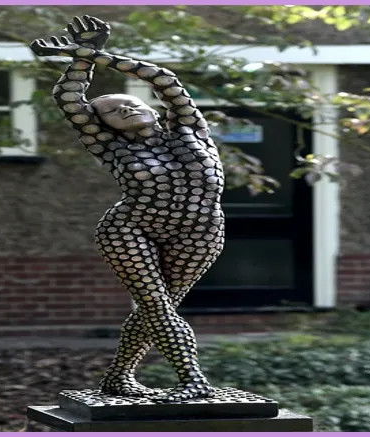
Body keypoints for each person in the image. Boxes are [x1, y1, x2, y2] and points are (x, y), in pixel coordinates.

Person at [31, 16, 225, 402]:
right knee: (156, 304)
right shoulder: (112, 147)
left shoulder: (190, 128)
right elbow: (68, 99)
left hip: (202, 230)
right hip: (130, 228)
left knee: (158, 308)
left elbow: (164, 79)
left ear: (150, 109)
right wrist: (81, 60)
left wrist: (90, 52)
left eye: (129, 103)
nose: (122, 109)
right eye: (110, 111)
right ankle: (193, 380)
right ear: (103, 126)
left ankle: (119, 377)